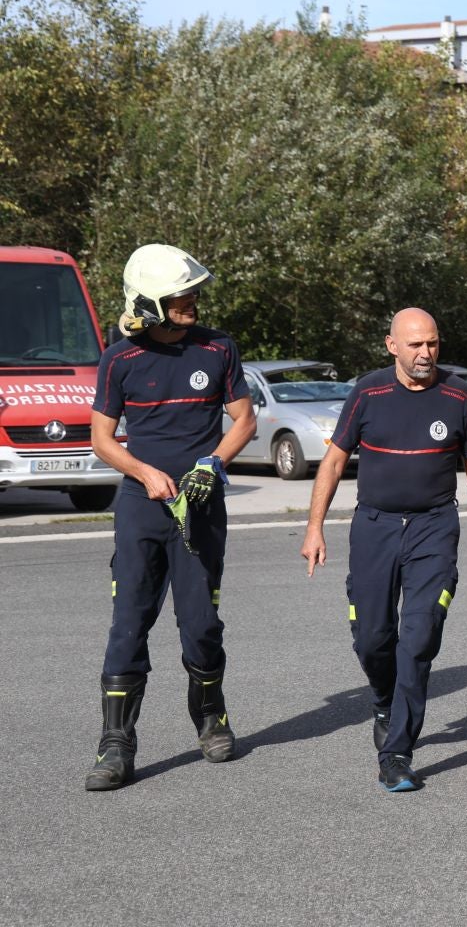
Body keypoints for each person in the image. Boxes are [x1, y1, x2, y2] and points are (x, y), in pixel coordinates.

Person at [299, 308, 467, 793]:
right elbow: (333, 461)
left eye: (432, 344)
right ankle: (383, 697)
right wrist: (314, 528)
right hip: (374, 527)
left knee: (418, 638)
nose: (425, 354)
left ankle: (396, 753)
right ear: (392, 346)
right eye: (415, 345)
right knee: (372, 638)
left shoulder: (457, 394)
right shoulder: (368, 392)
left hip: (434, 528)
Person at [85, 243, 255, 791]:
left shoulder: (218, 349)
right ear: (150, 303)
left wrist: (214, 462)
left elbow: (244, 421)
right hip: (141, 508)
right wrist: (143, 471)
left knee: (201, 625)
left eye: (193, 292)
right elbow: (101, 440)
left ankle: (211, 715)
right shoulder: (120, 359)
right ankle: (116, 744)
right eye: (181, 295)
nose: (192, 301)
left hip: (200, 507)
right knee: (128, 622)